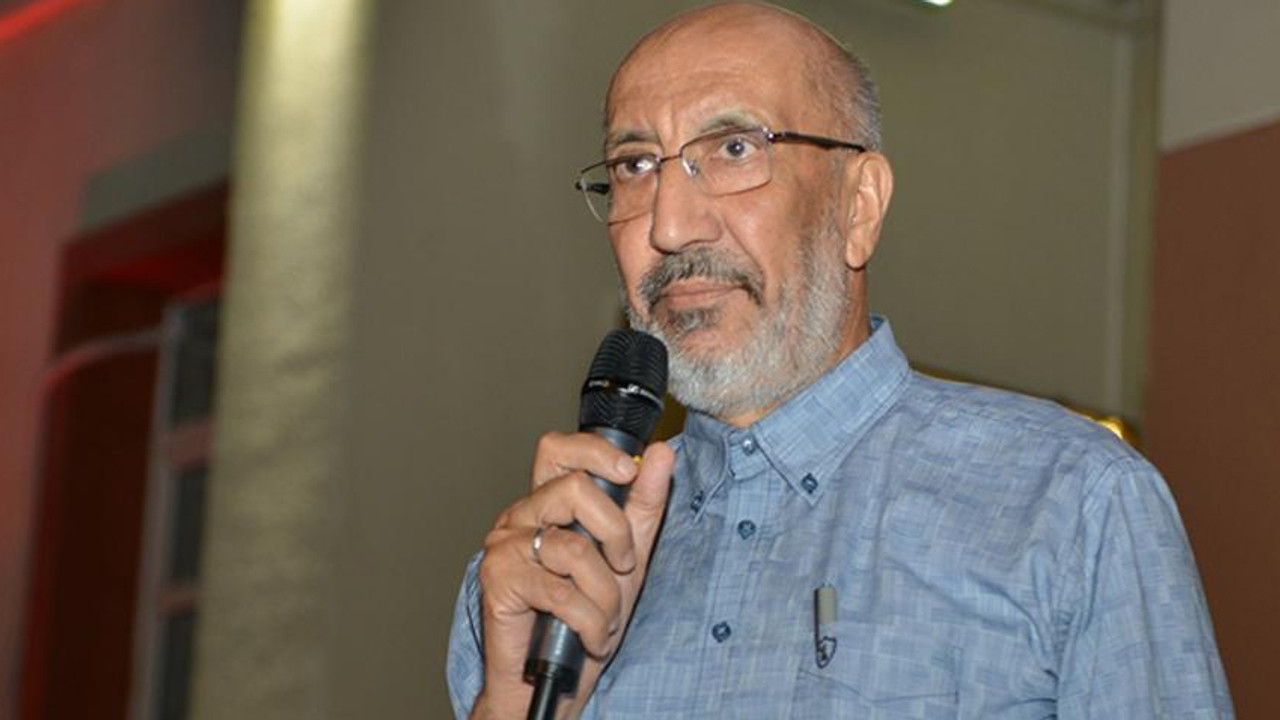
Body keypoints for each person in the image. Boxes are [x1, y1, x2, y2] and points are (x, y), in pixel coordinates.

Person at [446, 3, 1233, 718]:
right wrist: (516, 705)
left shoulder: (1070, 504)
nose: (670, 225)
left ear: (859, 207)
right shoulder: (546, 578)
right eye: (635, 166)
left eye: (734, 148)